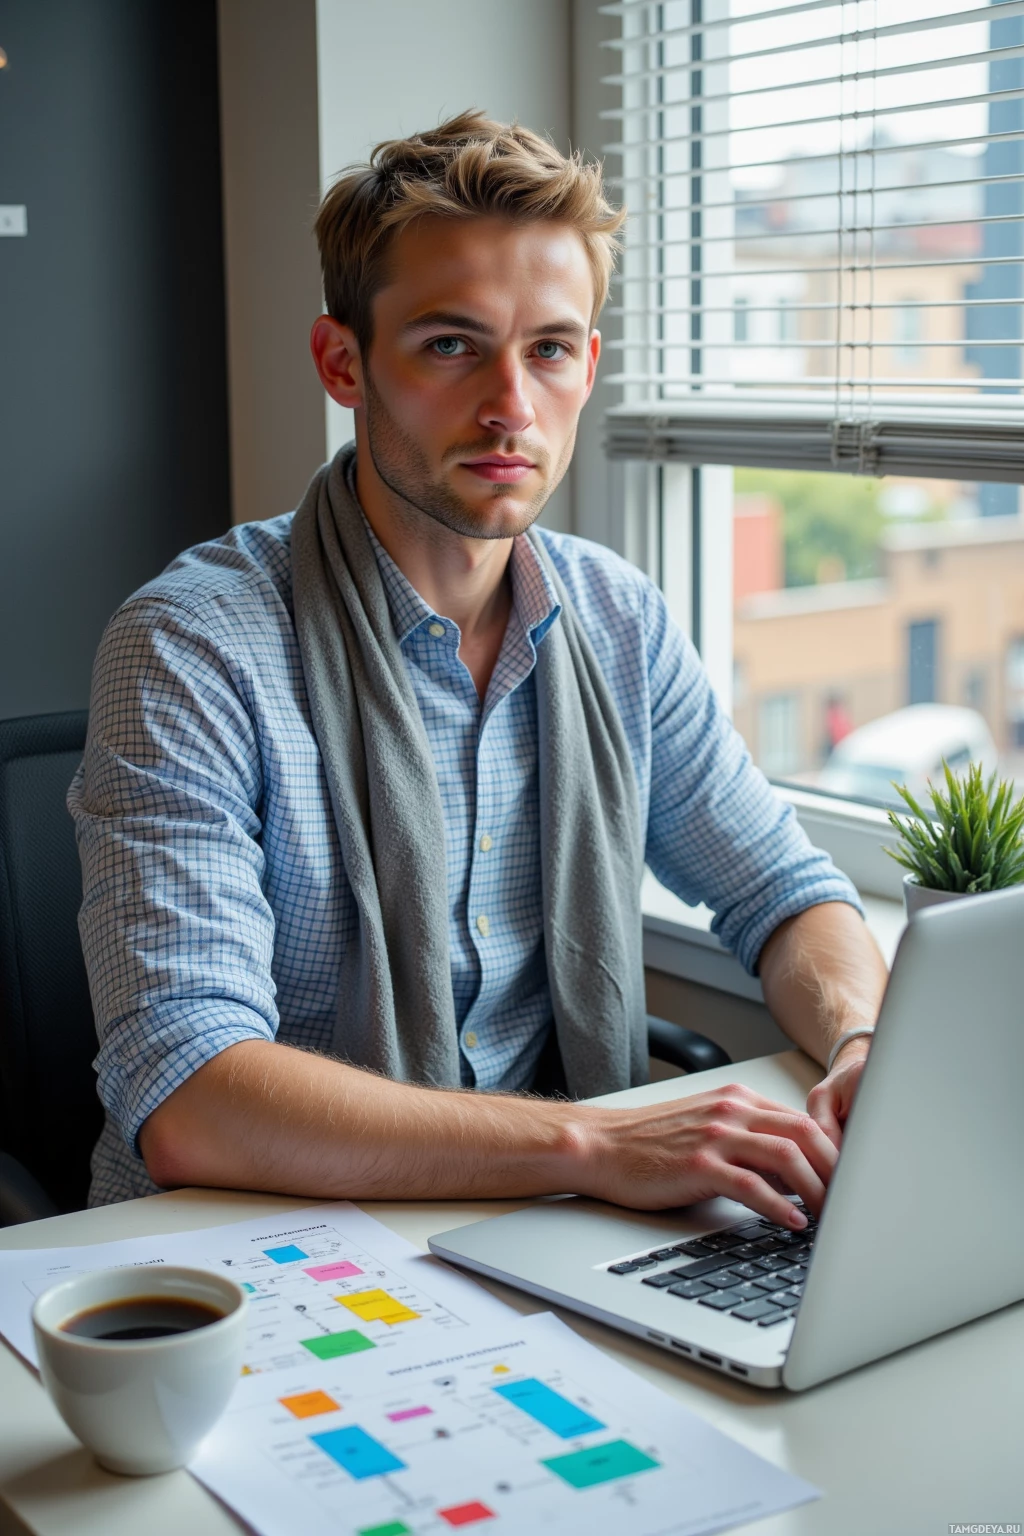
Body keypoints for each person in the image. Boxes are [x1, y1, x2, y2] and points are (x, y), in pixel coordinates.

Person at [70, 112, 888, 1224]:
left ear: (588, 367)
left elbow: (785, 897)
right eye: (452, 345)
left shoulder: (616, 620)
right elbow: (192, 1096)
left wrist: (859, 1042)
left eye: (549, 348)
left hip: (532, 1229)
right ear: (342, 363)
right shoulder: (191, 647)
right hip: (245, 1256)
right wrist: (595, 1140)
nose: (510, 404)